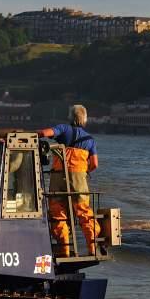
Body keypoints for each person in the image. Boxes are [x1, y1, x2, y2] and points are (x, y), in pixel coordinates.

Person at [38, 104, 101, 257]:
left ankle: (64, 250)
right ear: (84, 119)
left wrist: (31, 134)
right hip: (79, 179)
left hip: (58, 178)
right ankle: (92, 248)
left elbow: (45, 133)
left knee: (58, 214)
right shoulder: (89, 139)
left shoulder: (64, 129)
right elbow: (95, 164)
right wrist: (83, 172)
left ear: (70, 116)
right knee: (84, 213)